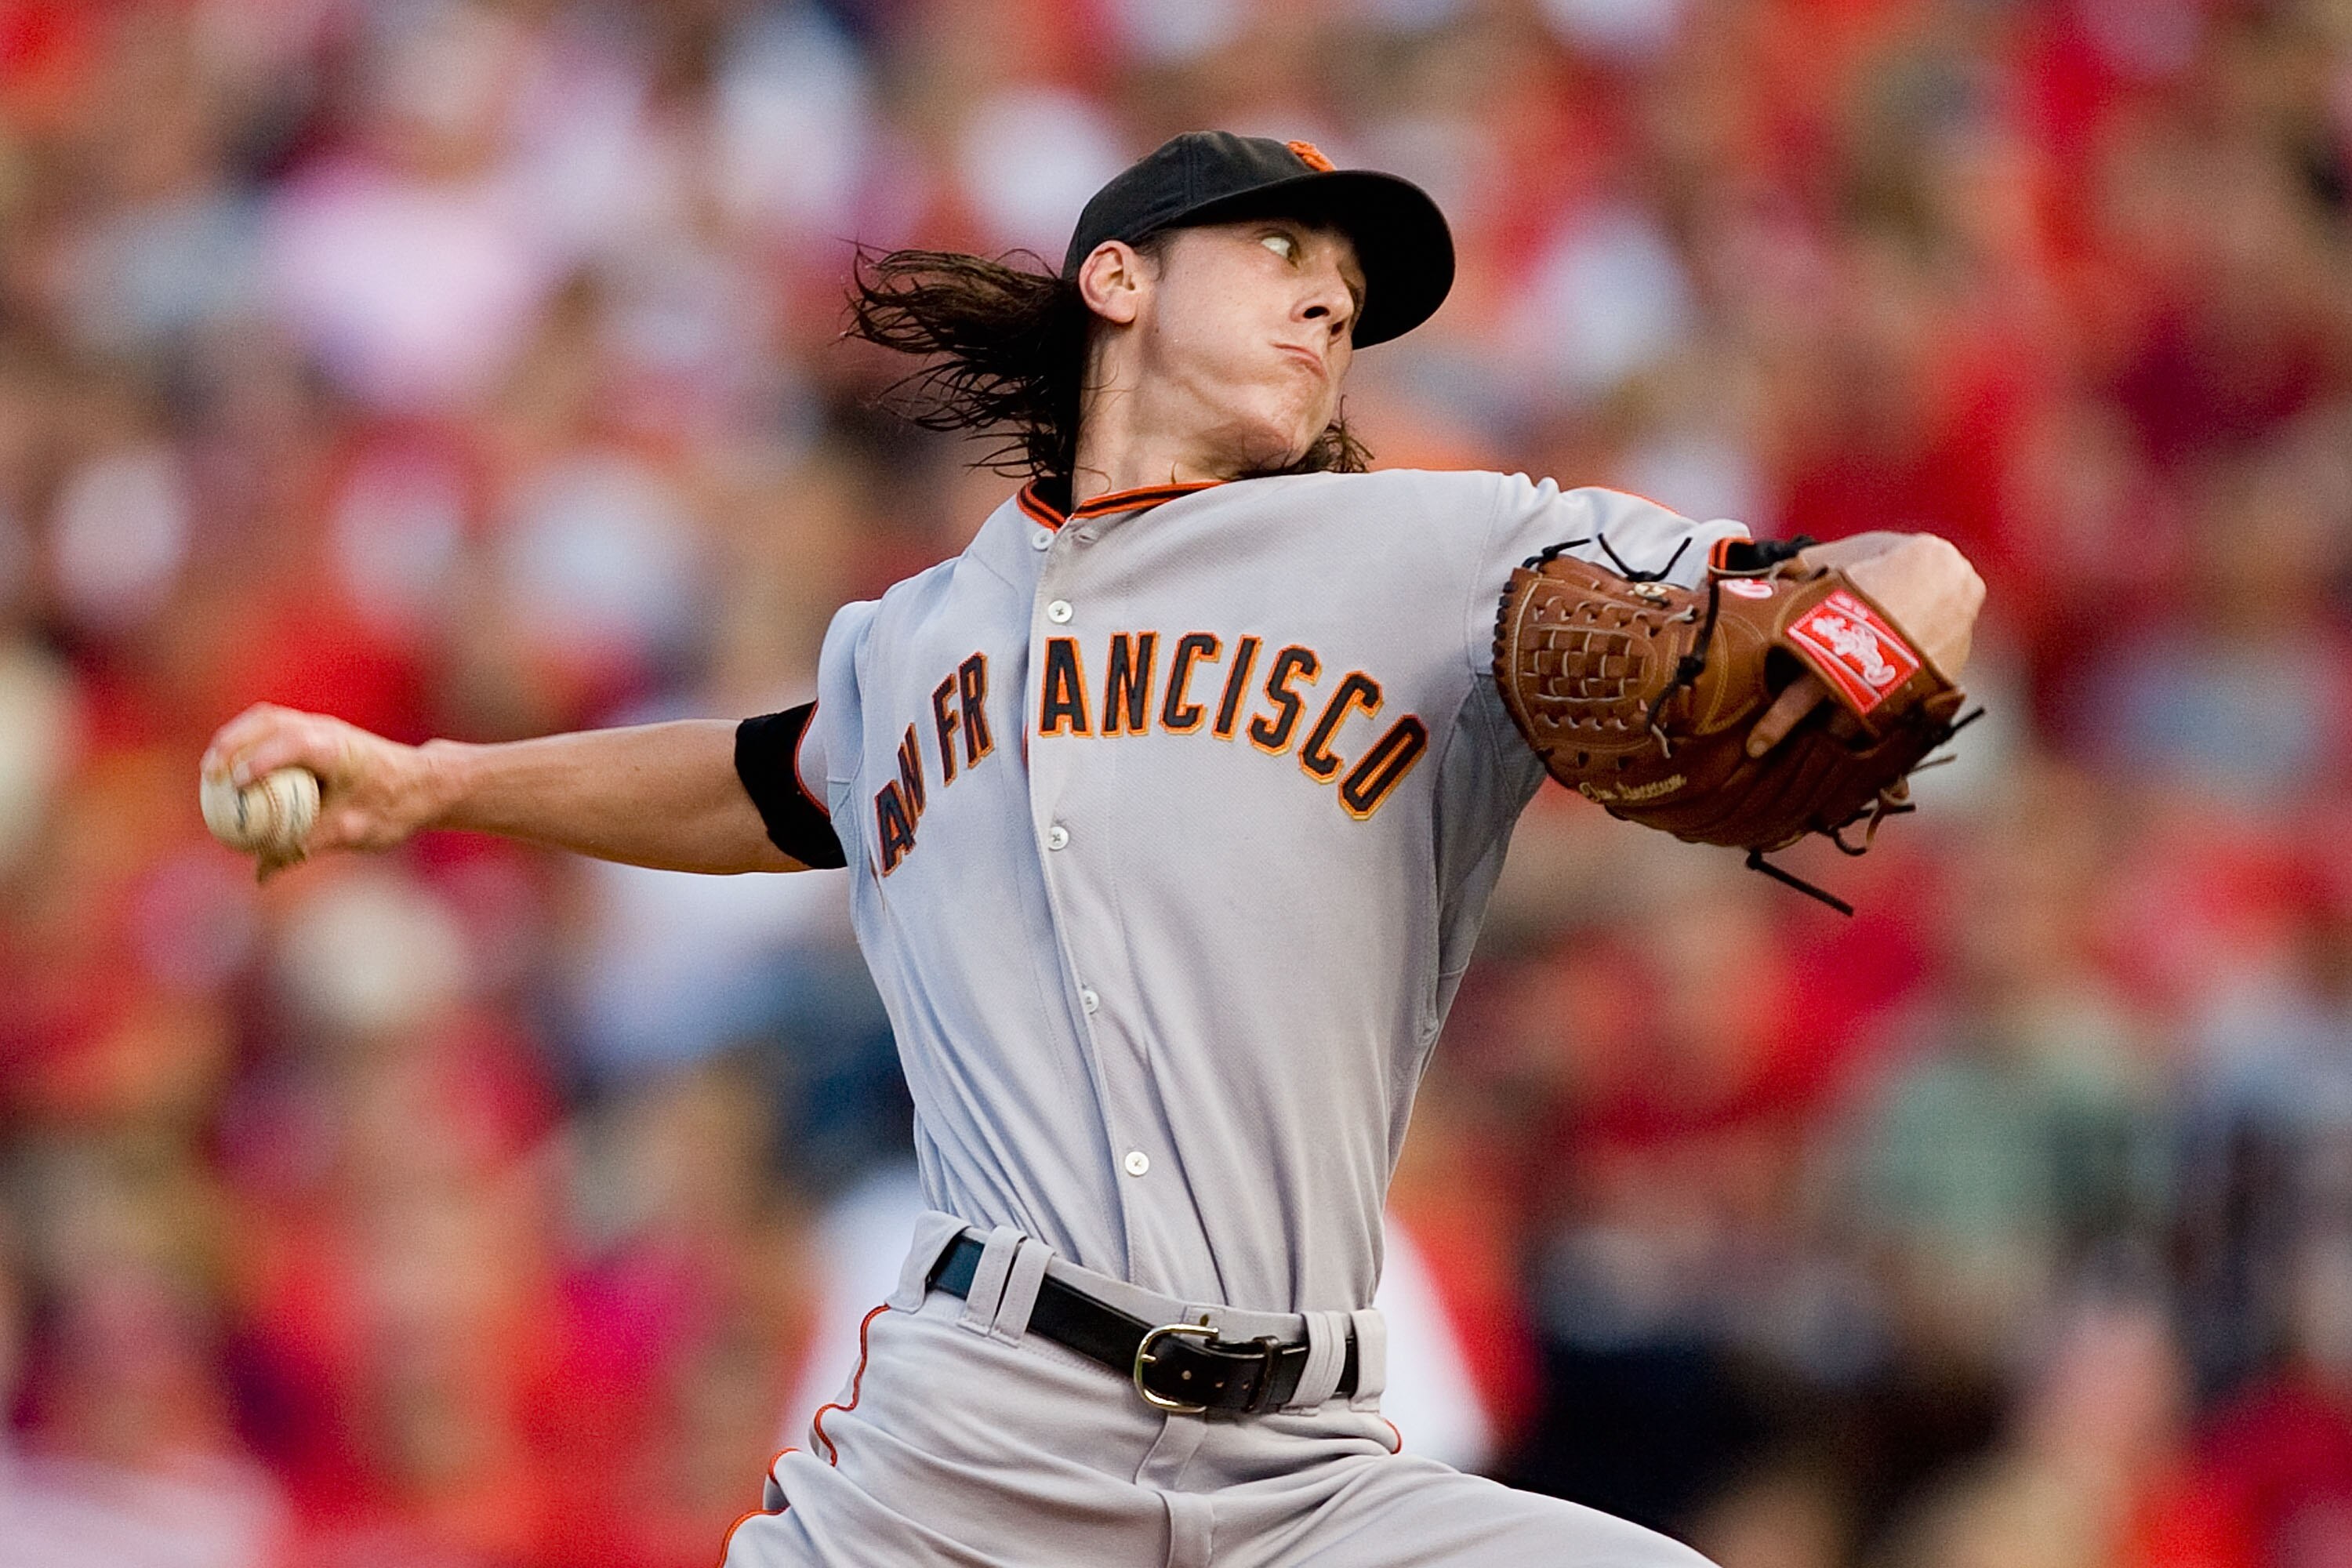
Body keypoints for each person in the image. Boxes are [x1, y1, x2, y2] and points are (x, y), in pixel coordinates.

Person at [204, 132, 1978, 1566]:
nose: (1329, 303)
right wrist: (432, 783)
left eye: (1351, 295)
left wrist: (1861, 647)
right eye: (1282, 254)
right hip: (970, 1450)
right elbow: (763, 783)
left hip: (1309, 1467)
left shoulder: (1447, 552)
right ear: (1119, 280)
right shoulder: (913, 640)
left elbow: (1915, 579)